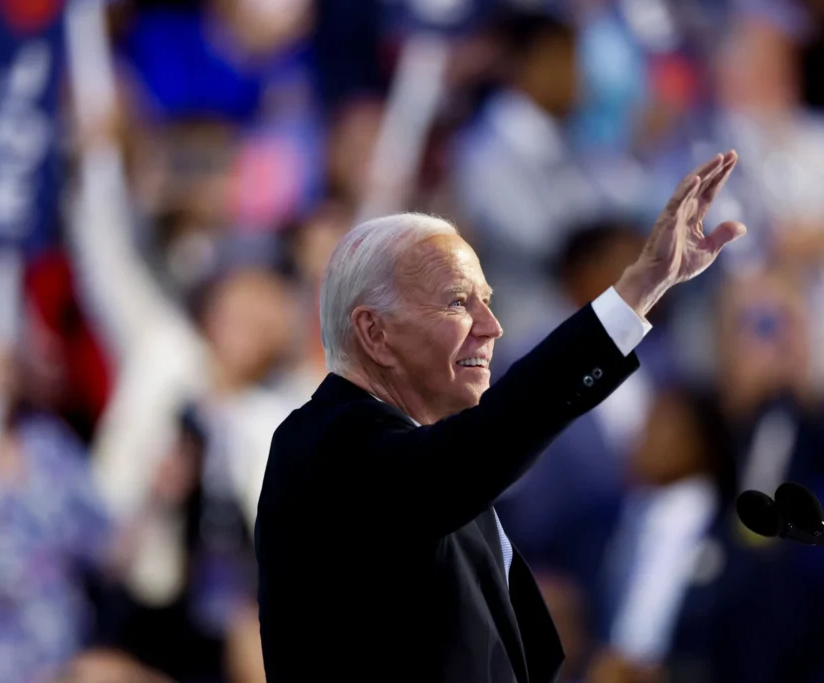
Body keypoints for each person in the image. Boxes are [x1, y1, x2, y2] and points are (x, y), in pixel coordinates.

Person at [255, 151, 745, 683]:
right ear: (375, 333)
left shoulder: (425, 461)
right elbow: (492, 438)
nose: (491, 327)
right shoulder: (329, 445)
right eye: (458, 303)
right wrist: (637, 291)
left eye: (487, 301)